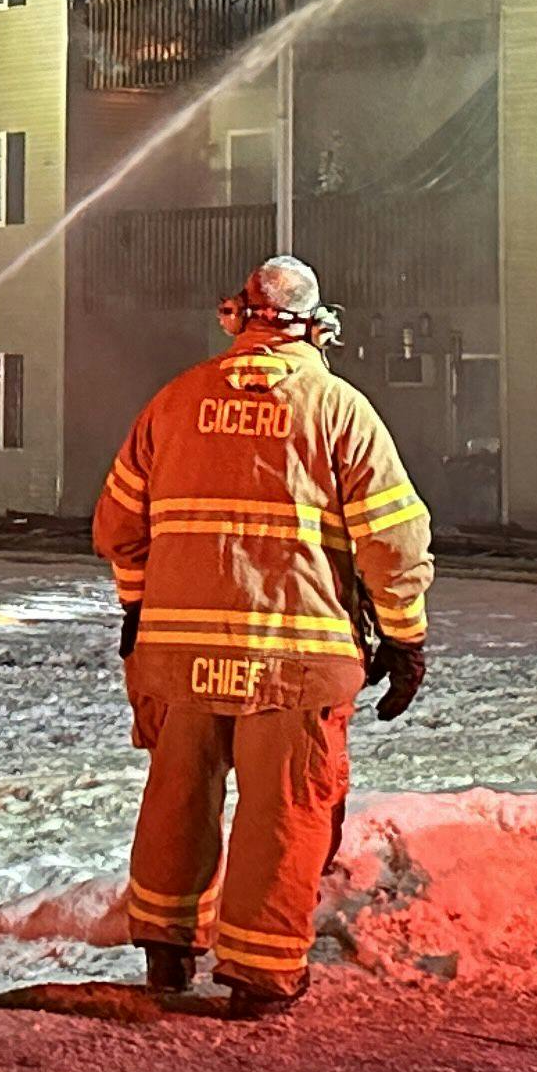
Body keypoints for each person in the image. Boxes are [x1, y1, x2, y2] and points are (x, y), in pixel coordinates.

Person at [93, 256, 432, 1018]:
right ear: (319, 327)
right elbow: (394, 542)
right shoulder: (339, 410)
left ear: (236, 317)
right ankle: (259, 973)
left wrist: (139, 611)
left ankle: (166, 951)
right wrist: (404, 636)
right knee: (285, 809)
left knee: (178, 794)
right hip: (294, 657)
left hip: (176, 655)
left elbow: (119, 526)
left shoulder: (174, 402)